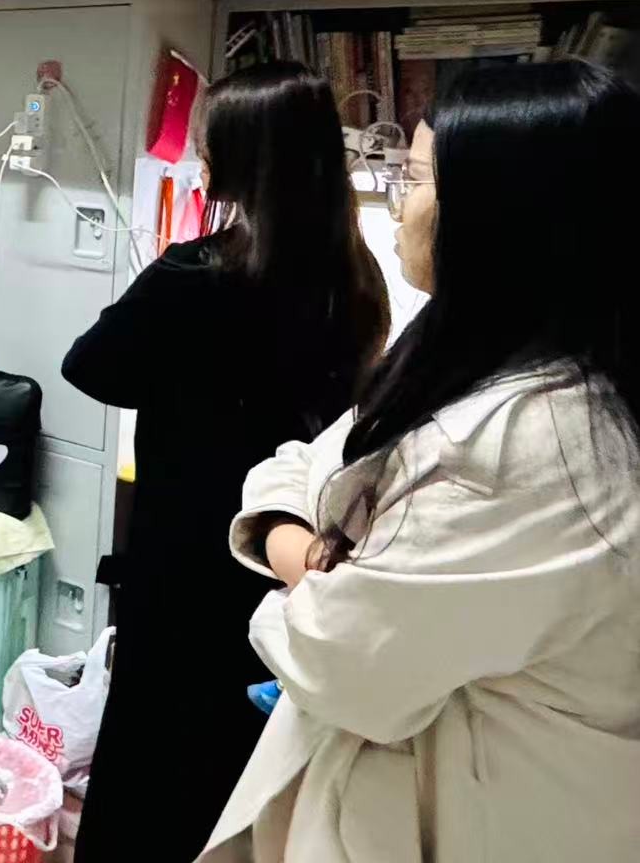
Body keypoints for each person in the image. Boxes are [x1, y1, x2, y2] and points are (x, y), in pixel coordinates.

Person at [203, 60, 640, 862]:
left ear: (499, 211)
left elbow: (340, 653)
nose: (399, 204)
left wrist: (291, 548)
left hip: (468, 818)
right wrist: (319, 552)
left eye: (413, 177)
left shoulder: (536, 444)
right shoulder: (452, 344)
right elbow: (307, 458)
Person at [61, 61, 387, 863]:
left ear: (241, 162)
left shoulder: (192, 274)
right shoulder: (355, 280)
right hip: (283, 559)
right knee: (241, 761)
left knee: (149, 753)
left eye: (212, 145)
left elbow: (88, 366)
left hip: (182, 552)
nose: (200, 158)